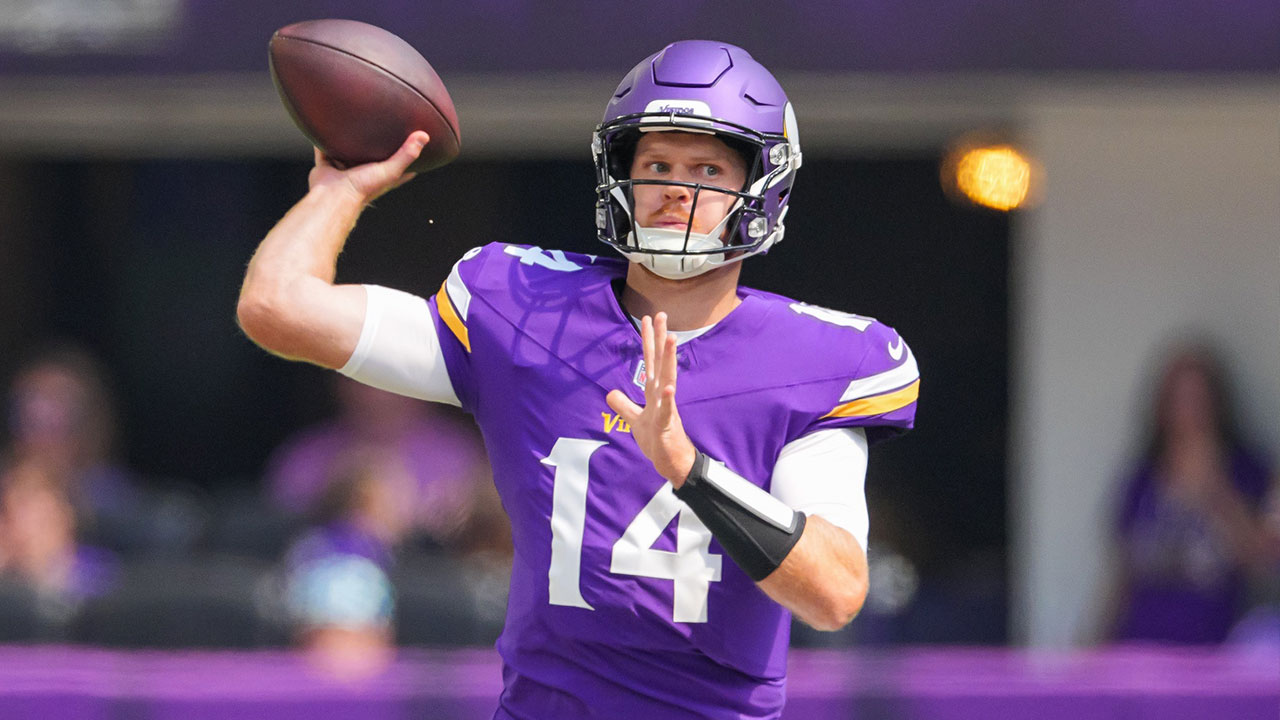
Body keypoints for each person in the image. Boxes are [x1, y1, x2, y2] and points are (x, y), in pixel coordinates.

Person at [238, 40, 919, 718]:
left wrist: (688, 470)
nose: (676, 187)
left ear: (761, 185)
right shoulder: (526, 310)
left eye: (707, 167)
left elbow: (833, 594)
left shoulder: (817, 360)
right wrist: (340, 189)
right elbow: (279, 308)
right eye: (656, 165)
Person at [1106, 344, 1278, 644]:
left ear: (1218, 403)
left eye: (1199, 398)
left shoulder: (1247, 470)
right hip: (1141, 647)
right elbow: (1123, 575)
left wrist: (1215, 491)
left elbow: (1263, 561)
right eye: (1179, 399)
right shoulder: (1143, 478)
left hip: (1215, 650)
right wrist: (1096, 647)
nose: (1189, 410)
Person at [265, 375, 492, 552]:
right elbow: (280, 542)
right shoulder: (303, 459)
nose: (376, 395)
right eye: (362, 380)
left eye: (390, 381)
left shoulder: (461, 457)